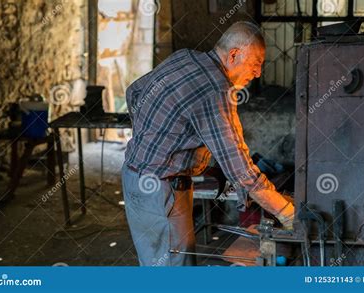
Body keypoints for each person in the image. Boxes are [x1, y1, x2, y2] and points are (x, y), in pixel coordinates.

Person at [122, 21, 294, 266]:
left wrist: (149, 137)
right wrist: (286, 212)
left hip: (134, 176)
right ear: (234, 54)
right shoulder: (215, 90)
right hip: (159, 191)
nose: (257, 73)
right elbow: (241, 170)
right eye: (256, 64)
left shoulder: (185, 57)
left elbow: (134, 91)